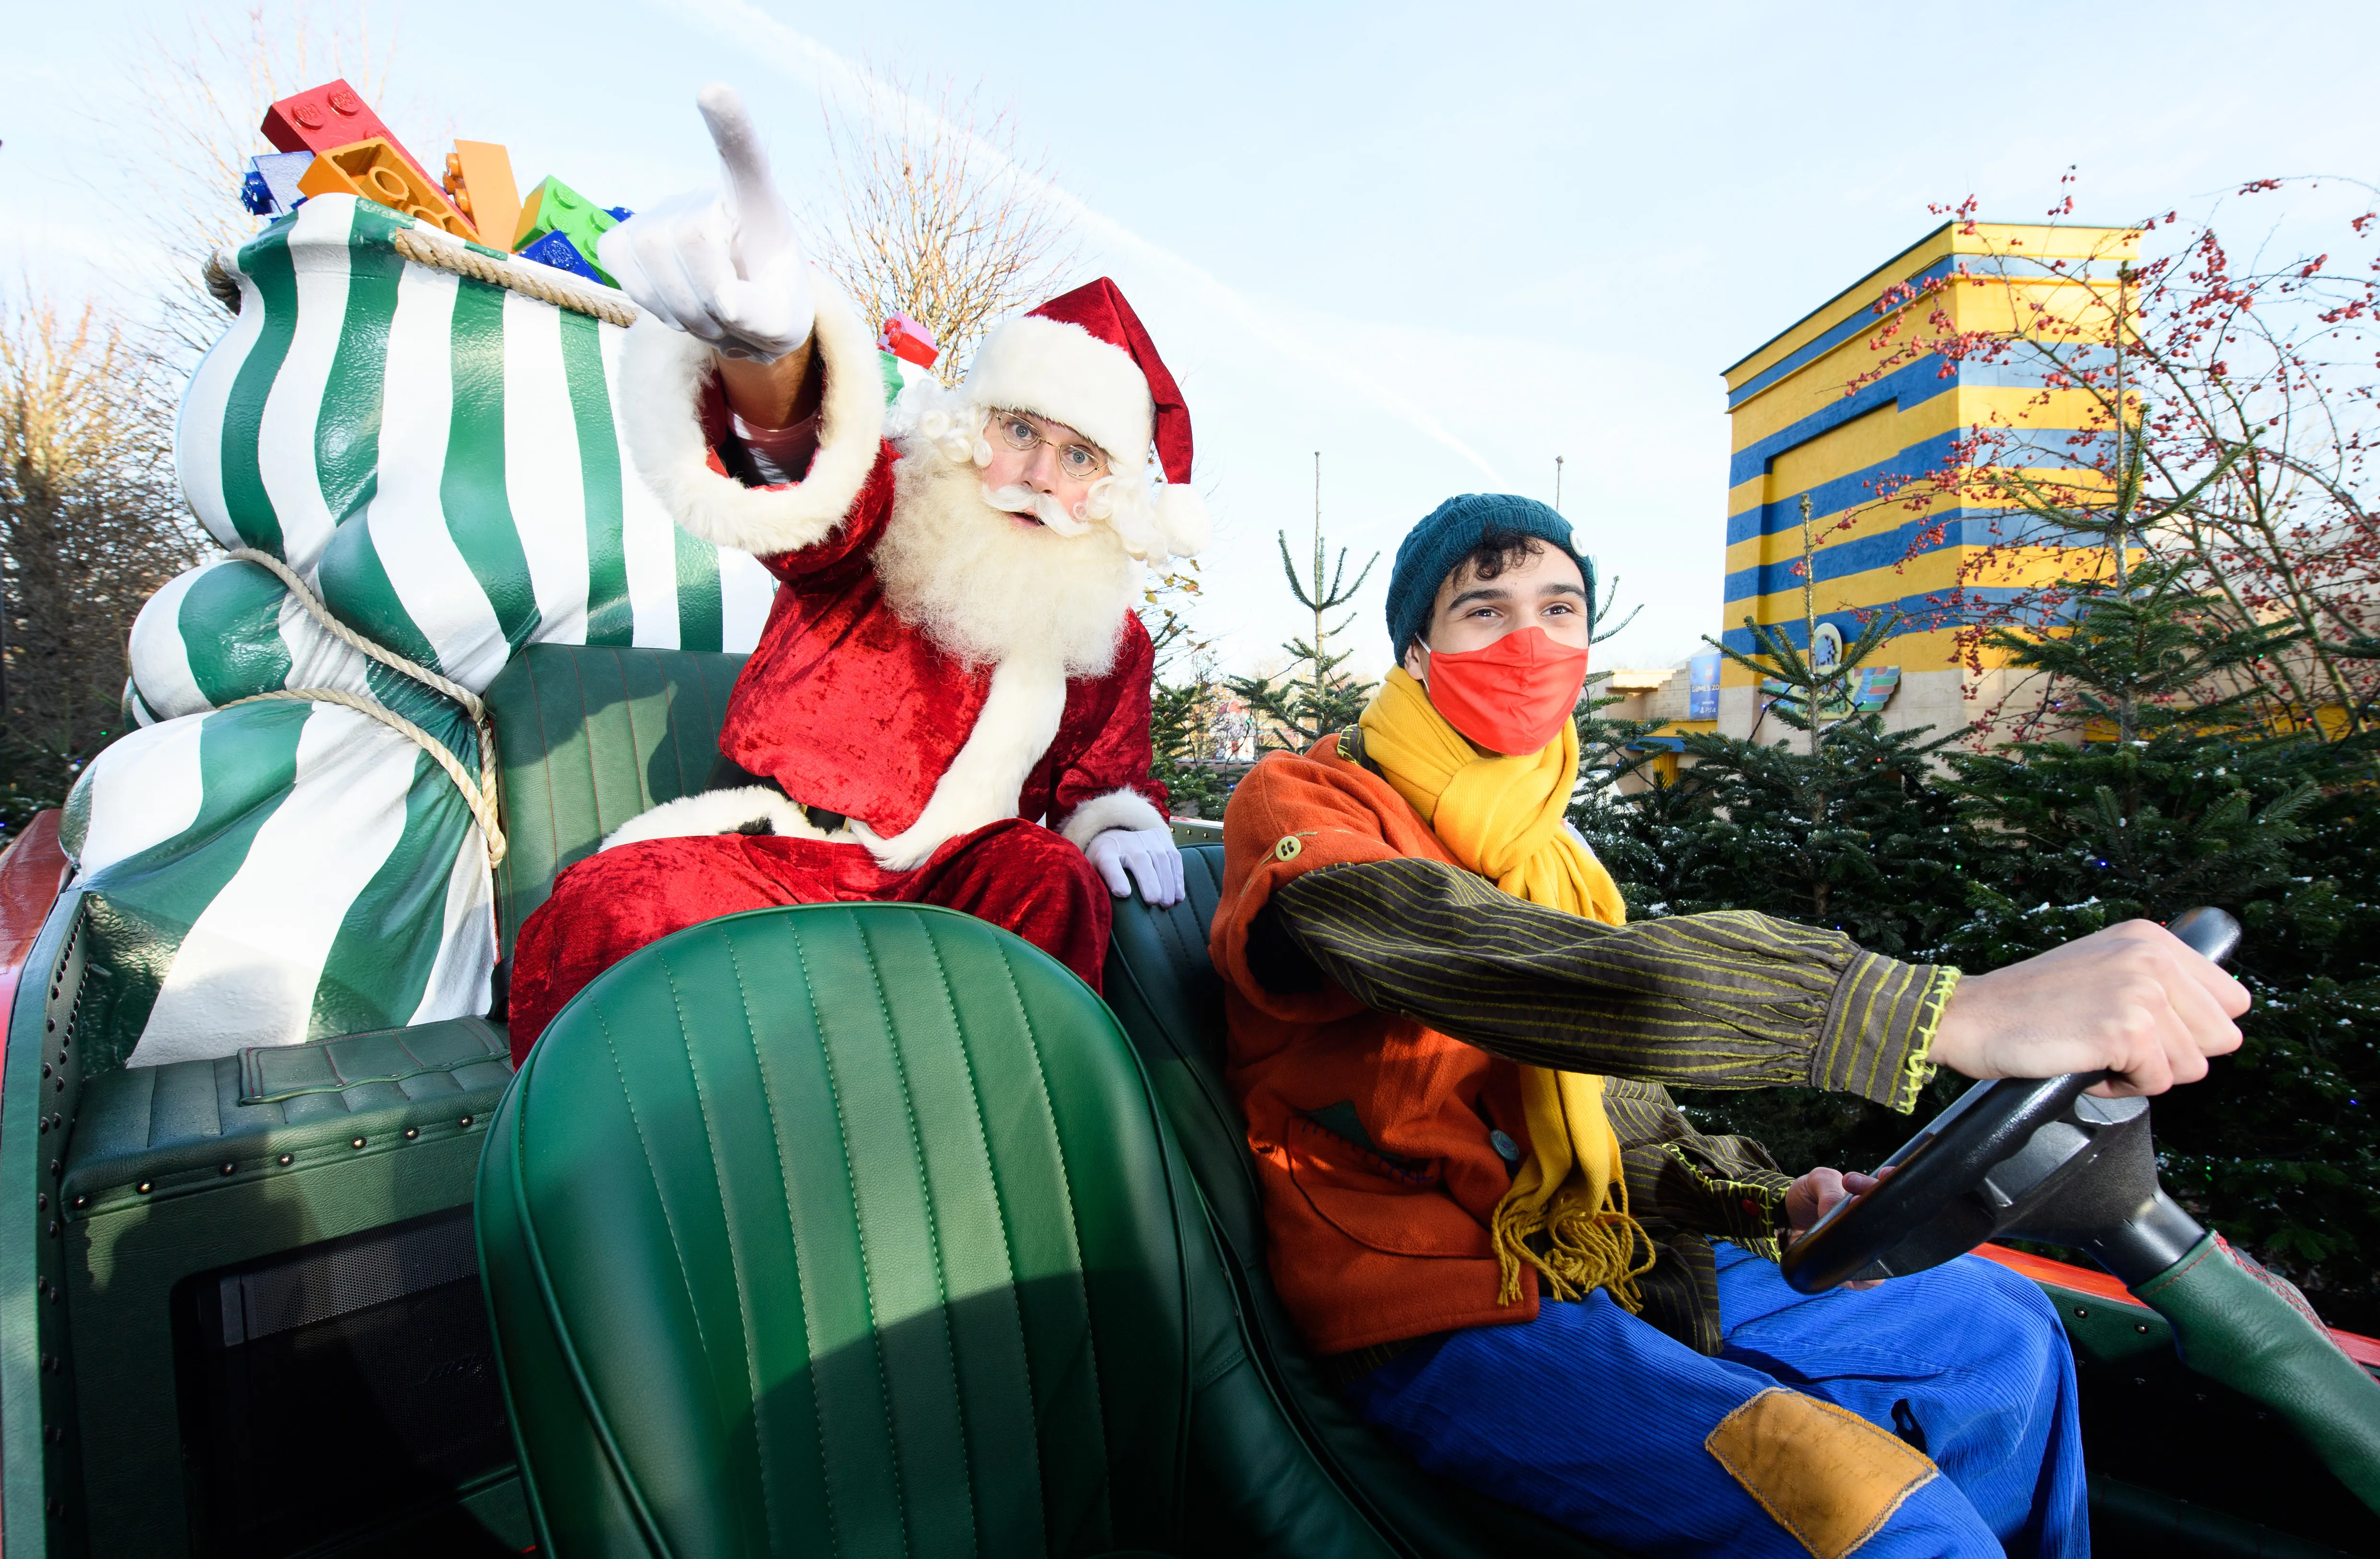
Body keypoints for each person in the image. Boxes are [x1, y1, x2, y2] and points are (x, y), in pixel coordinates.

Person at [1208, 492, 2249, 1558]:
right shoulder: (1306, 804)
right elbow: (1488, 962)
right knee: (1873, 1512)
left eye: (1559, 607)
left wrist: (1766, 1202)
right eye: (1485, 610)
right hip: (1438, 1302)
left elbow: (1612, 1113)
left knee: (2001, 1333)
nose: (1531, 641)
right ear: (1418, 653)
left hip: (1603, 1250)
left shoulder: (1541, 838)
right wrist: (1941, 1012)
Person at [506, 87, 1203, 1059]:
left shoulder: (1108, 639)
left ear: (1114, 490)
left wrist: (1117, 825)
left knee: (1050, 874)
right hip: (786, 854)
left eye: (1080, 457)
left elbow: (1104, 775)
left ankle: (984, 1148)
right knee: (615, 911)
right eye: (1020, 432)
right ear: (974, 426)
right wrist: (769, 365)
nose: (1040, 478)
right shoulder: (896, 511)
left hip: (954, 883)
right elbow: (803, 492)